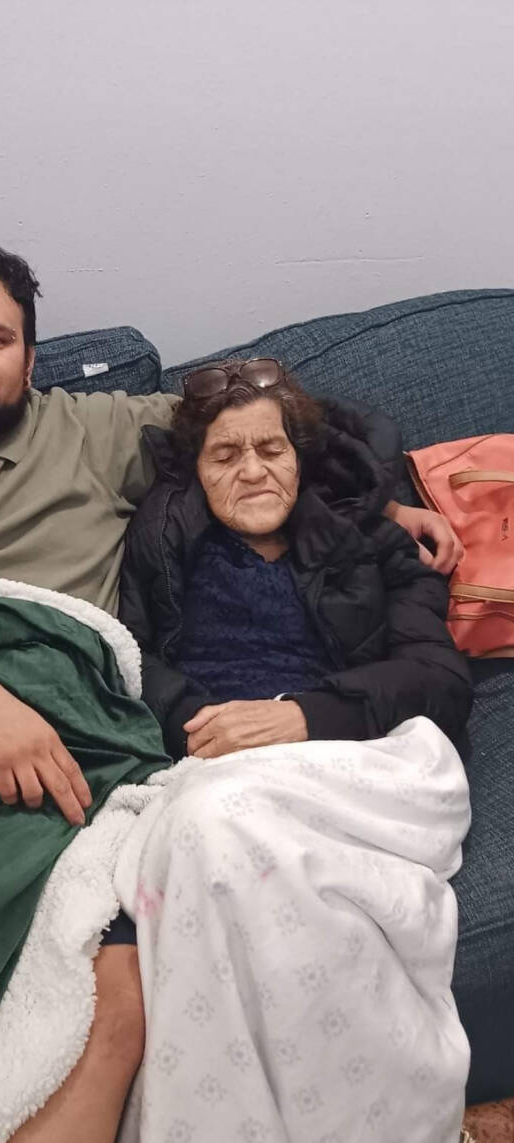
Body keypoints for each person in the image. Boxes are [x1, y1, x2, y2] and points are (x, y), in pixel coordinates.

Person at [0, 229, 460, 1143]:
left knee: (111, 972)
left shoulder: (99, 430)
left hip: (62, 727)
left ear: (31, 359)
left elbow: (275, 432)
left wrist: (375, 500)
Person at [115, 357, 474, 1142]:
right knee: (208, 821)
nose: (252, 470)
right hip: (216, 764)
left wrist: (299, 717)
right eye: (225, 453)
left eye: (271, 449)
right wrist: (206, 723)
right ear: (195, 468)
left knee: (214, 819)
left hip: (352, 754)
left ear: (301, 458)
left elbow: (439, 682)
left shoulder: (370, 541)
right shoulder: (162, 540)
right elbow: (132, 662)